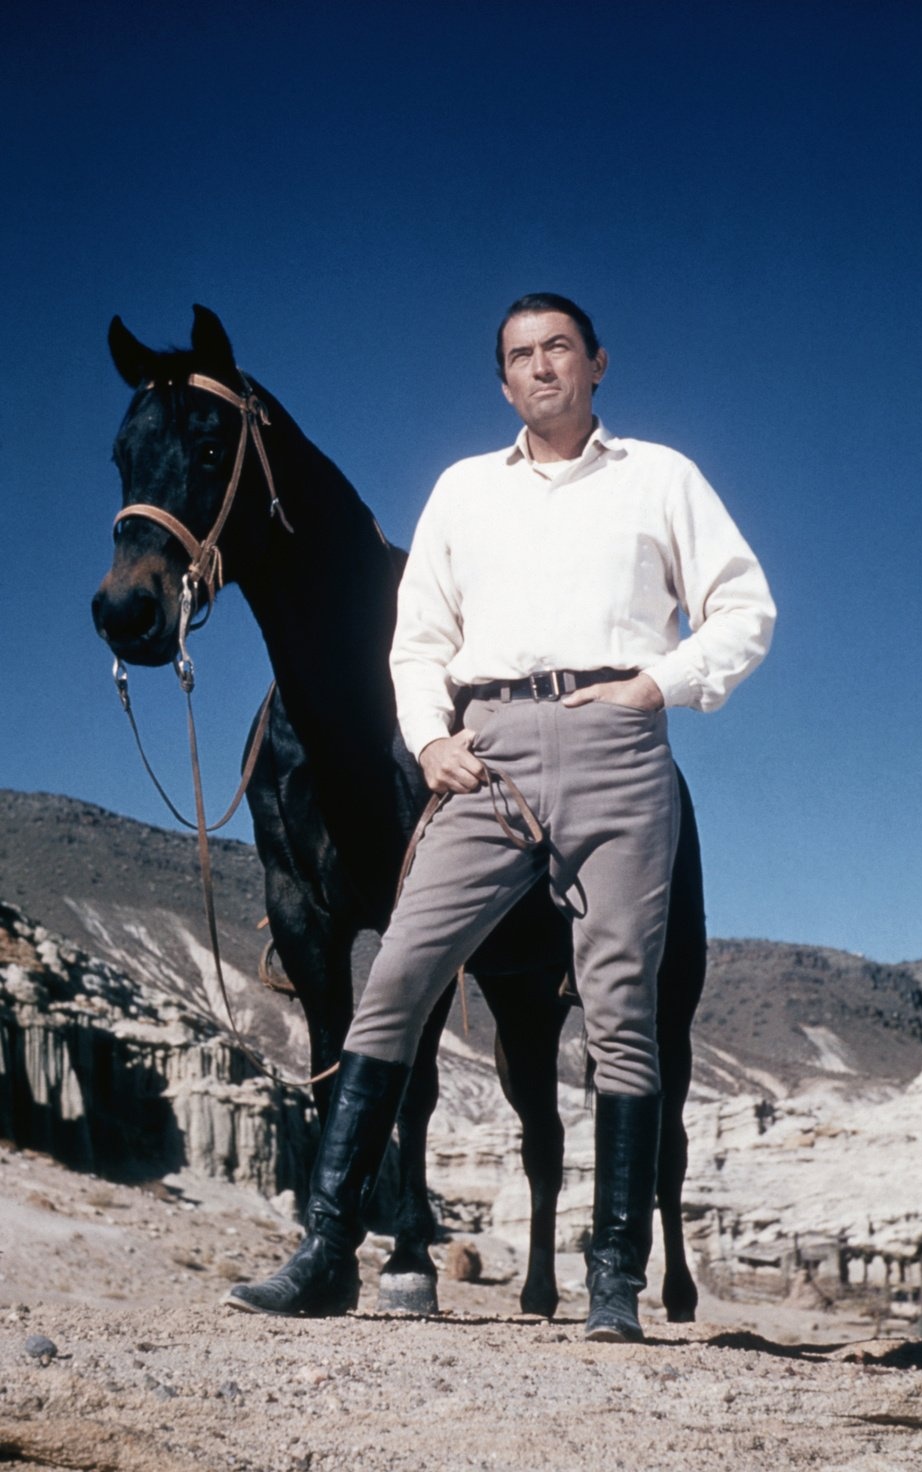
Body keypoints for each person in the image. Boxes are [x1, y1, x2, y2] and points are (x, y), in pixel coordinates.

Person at [226, 292, 776, 1340]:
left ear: (597, 363)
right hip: (486, 751)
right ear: (503, 379)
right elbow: (418, 637)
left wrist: (658, 684)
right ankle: (328, 1249)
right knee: (397, 978)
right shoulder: (464, 490)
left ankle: (612, 1280)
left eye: (559, 348)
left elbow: (744, 607)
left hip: (616, 742)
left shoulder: (661, 477)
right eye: (521, 355)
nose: (541, 367)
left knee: (620, 1010)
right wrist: (428, 738)